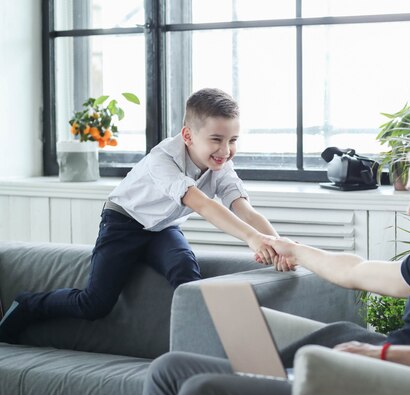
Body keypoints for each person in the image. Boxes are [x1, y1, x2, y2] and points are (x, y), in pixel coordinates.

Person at [139, 133, 410, 395]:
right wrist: (293, 249)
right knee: (168, 370)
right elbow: (356, 270)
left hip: (379, 389)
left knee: (202, 392)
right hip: (352, 368)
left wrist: (380, 353)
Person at [0, 88, 291, 344]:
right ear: (187, 135)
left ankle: (200, 345)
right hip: (123, 222)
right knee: (95, 304)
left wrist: (277, 245)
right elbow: (201, 204)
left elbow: (243, 208)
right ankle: (27, 305)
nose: (226, 151)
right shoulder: (162, 159)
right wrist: (252, 239)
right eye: (217, 139)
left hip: (163, 227)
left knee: (185, 272)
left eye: (233, 140)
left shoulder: (220, 165)